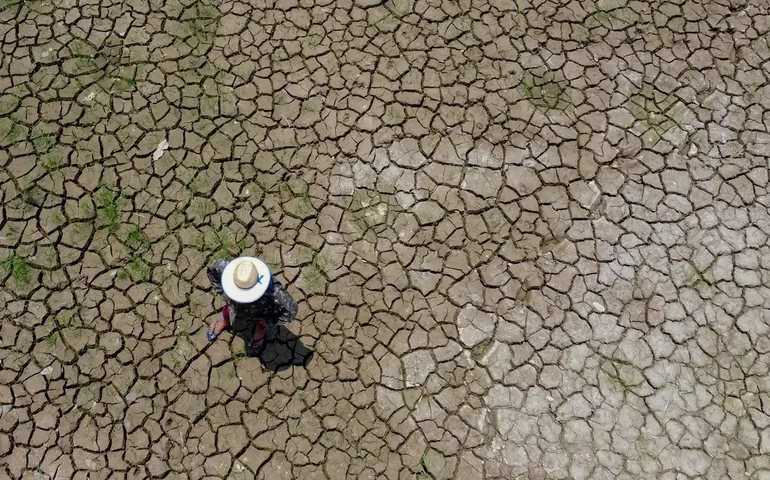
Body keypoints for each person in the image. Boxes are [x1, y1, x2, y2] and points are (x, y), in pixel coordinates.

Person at [205, 256, 298, 353]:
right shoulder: (227, 269)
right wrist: (225, 295)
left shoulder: (273, 291)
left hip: (260, 311)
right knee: (228, 311)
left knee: (260, 321)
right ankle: (225, 321)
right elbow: (212, 271)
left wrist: (269, 321)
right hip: (234, 304)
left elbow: (292, 309)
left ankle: (260, 328)